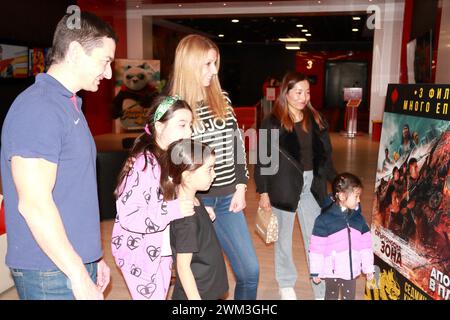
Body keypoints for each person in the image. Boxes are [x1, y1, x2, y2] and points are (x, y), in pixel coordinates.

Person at [0, 12, 117, 300]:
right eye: (105, 61)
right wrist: (77, 273)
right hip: (50, 271)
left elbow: (72, 193)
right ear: (76, 52)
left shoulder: (68, 104)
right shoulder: (38, 108)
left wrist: (93, 257)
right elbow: (34, 205)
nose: (109, 73)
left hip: (72, 261)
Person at [167, 34, 259, 300]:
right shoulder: (174, 109)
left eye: (215, 63)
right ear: (190, 64)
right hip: (197, 204)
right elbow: (172, 164)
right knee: (199, 280)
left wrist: (241, 185)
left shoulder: (222, 99)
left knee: (250, 272)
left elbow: (237, 145)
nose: (214, 70)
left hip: (229, 199)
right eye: (207, 64)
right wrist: (194, 201)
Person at [254, 71, 336, 300]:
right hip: (284, 186)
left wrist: (336, 182)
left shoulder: (316, 119)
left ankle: (320, 289)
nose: (304, 97)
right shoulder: (272, 122)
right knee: (284, 239)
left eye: (307, 92)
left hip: (312, 186)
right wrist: (263, 191)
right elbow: (264, 161)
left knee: (316, 239)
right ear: (286, 93)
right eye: (298, 92)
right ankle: (286, 282)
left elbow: (326, 155)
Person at [111, 95, 196, 300]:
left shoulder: (169, 157)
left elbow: (163, 199)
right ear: (159, 126)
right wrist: (176, 209)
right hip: (139, 254)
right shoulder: (144, 164)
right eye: (182, 125)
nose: (189, 132)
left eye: (191, 125)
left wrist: (195, 208)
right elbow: (130, 215)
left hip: (158, 248)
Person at [161, 139, 228, 300]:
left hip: (207, 287)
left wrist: (204, 213)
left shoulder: (193, 200)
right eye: (209, 170)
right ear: (188, 176)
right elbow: (183, 268)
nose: (214, 174)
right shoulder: (187, 220)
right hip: (198, 293)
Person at [309, 172, 374, 300]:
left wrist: (368, 267)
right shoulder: (323, 220)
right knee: (331, 296)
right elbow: (316, 248)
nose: (359, 200)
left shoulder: (359, 220)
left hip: (350, 271)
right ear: (342, 196)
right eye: (356, 196)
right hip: (332, 271)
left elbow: (366, 246)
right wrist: (316, 269)